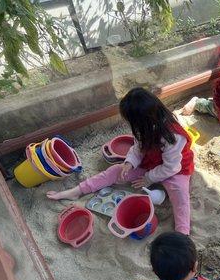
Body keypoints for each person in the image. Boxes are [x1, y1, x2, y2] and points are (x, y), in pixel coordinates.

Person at [47, 87, 194, 235]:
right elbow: (138, 148)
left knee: (180, 194)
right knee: (116, 171)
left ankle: (183, 232)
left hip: (176, 169)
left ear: (144, 119)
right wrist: (129, 163)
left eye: (132, 121)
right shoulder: (144, 128)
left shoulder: (173, 137)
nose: (132, 125)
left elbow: (171, 167)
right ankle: (77, 191)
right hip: (150, 162)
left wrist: (148, 178)